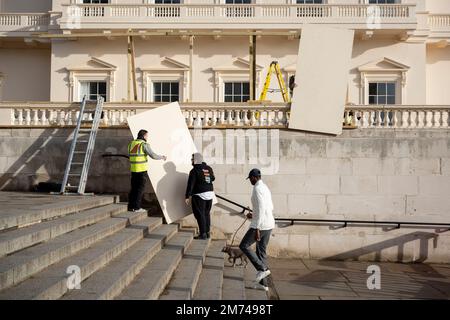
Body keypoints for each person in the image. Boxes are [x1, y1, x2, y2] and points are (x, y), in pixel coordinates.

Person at [239, 168, 275, 292]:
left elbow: (262, 208)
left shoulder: (257, 189)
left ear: (254, 177)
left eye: (250, 179)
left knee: (244, 245)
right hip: (269, 223)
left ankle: (263, 269)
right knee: (261, 253)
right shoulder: (265, 187)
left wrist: (258, 227)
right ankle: (263, 284)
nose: (250, 181)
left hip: (261, 225)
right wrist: (253, 215)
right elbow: (269, 207)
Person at [128, 129, 166, 213]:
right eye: (147, 136)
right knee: (139, 189)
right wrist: (162, 157)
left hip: (133, 169)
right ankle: (137, 207)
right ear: (144, 136)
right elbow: (153, 155)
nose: (147, 137)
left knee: (134, 188)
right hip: (141, 170)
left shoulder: (131, 144)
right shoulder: (143, 144)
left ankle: (131, 206)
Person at [185, 153, 215, 240]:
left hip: (199, 194)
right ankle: (207, 232)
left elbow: (191, 184)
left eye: (192, 159)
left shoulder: (194, 171)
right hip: (210, 194)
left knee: (200, 214)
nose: (191, 161)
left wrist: (187, 196)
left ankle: (203, 234)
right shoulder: (209, 168)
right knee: (206, 213)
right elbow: (213, 178)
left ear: (196, 160)